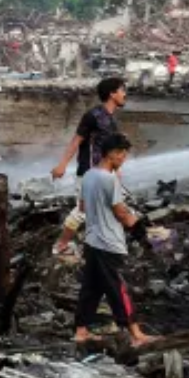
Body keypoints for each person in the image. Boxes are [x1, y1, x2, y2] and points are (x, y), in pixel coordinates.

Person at [74, 133, 157, 347]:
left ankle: (81, 331)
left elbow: (83, 207)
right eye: (123, 155)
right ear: (113, 154)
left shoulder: (89, 175)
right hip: (109, 244)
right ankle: (136, 335)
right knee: (119, 290)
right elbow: (121, 213)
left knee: (91, 289)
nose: (124, 160)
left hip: (92, 242)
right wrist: (138, 228)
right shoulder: (109, 179)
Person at [51, 77, 126, 255]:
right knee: (83, 211)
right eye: (122, 90)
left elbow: (110, 152)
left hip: (105, 174)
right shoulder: (93, 116)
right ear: (112, 93)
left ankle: (100, 245)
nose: (125, 94)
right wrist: (62, 165)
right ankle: (60, 245)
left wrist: (117, 172)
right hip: (89, 172)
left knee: (111, 208)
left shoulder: (111, 121)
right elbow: (77, 140)